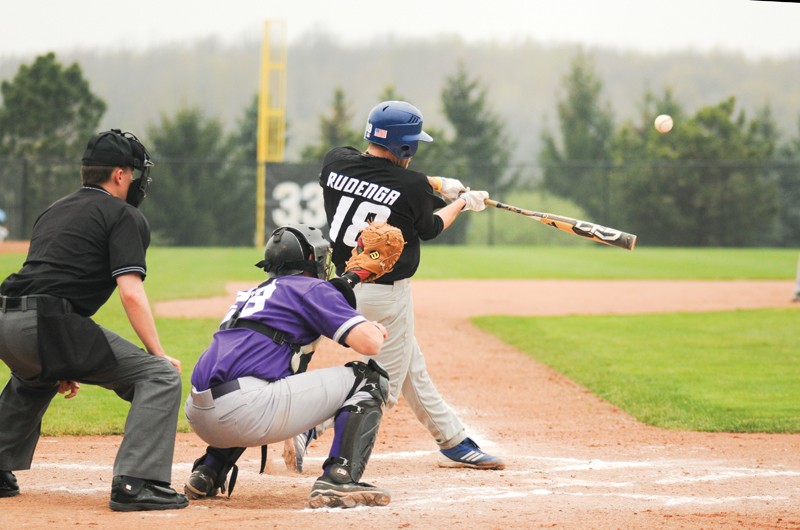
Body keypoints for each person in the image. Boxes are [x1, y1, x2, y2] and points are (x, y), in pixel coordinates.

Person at [303, 100, 504, 472]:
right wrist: (461, 202)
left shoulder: (336, 161)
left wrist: (436, 184)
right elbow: (430, 228)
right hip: (386, 296)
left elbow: (379, 178)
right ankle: (307, 426)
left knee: (412, 365)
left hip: (338, 288)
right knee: (384, 387)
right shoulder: (411, 185)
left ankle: (453, 441)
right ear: (405, 148)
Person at [0, 129, 187, 511]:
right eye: (133, 173)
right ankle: (137, 483)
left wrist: (57, 356)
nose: (135, 181)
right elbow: (130, 292)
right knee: (159, 376)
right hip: (47, 322)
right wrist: (157, 352)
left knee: (35, 379)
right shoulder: (123, 215)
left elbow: (44, 278)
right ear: (119, 175)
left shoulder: (55, 208)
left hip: (6, 316)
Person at [183, 222, 392, 509]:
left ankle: (208, 470)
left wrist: (352, 277)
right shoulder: (311, 289)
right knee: (368, 377)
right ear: (311, 259)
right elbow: (370, 344)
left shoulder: (254, 294)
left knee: (254, 380)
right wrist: (375, 328)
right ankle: (339, 478)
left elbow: (311, 300)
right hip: (244, 412)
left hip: (198, 413)